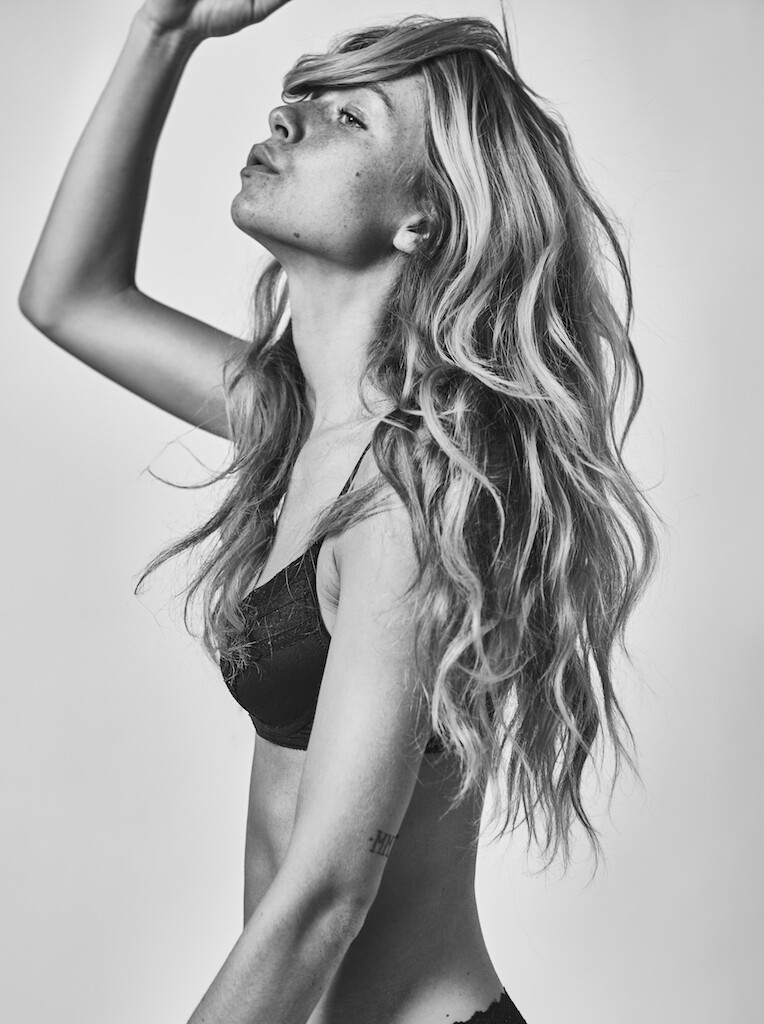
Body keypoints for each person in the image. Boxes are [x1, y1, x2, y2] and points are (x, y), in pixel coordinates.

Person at [18, 1, 658, 1022]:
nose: (288, 119)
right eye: (300, 100)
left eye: (348, 119)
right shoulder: (308, 421)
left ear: (424, 217)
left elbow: (326, 898)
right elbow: (70, 297)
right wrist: (163, 32)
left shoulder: (406, 498)